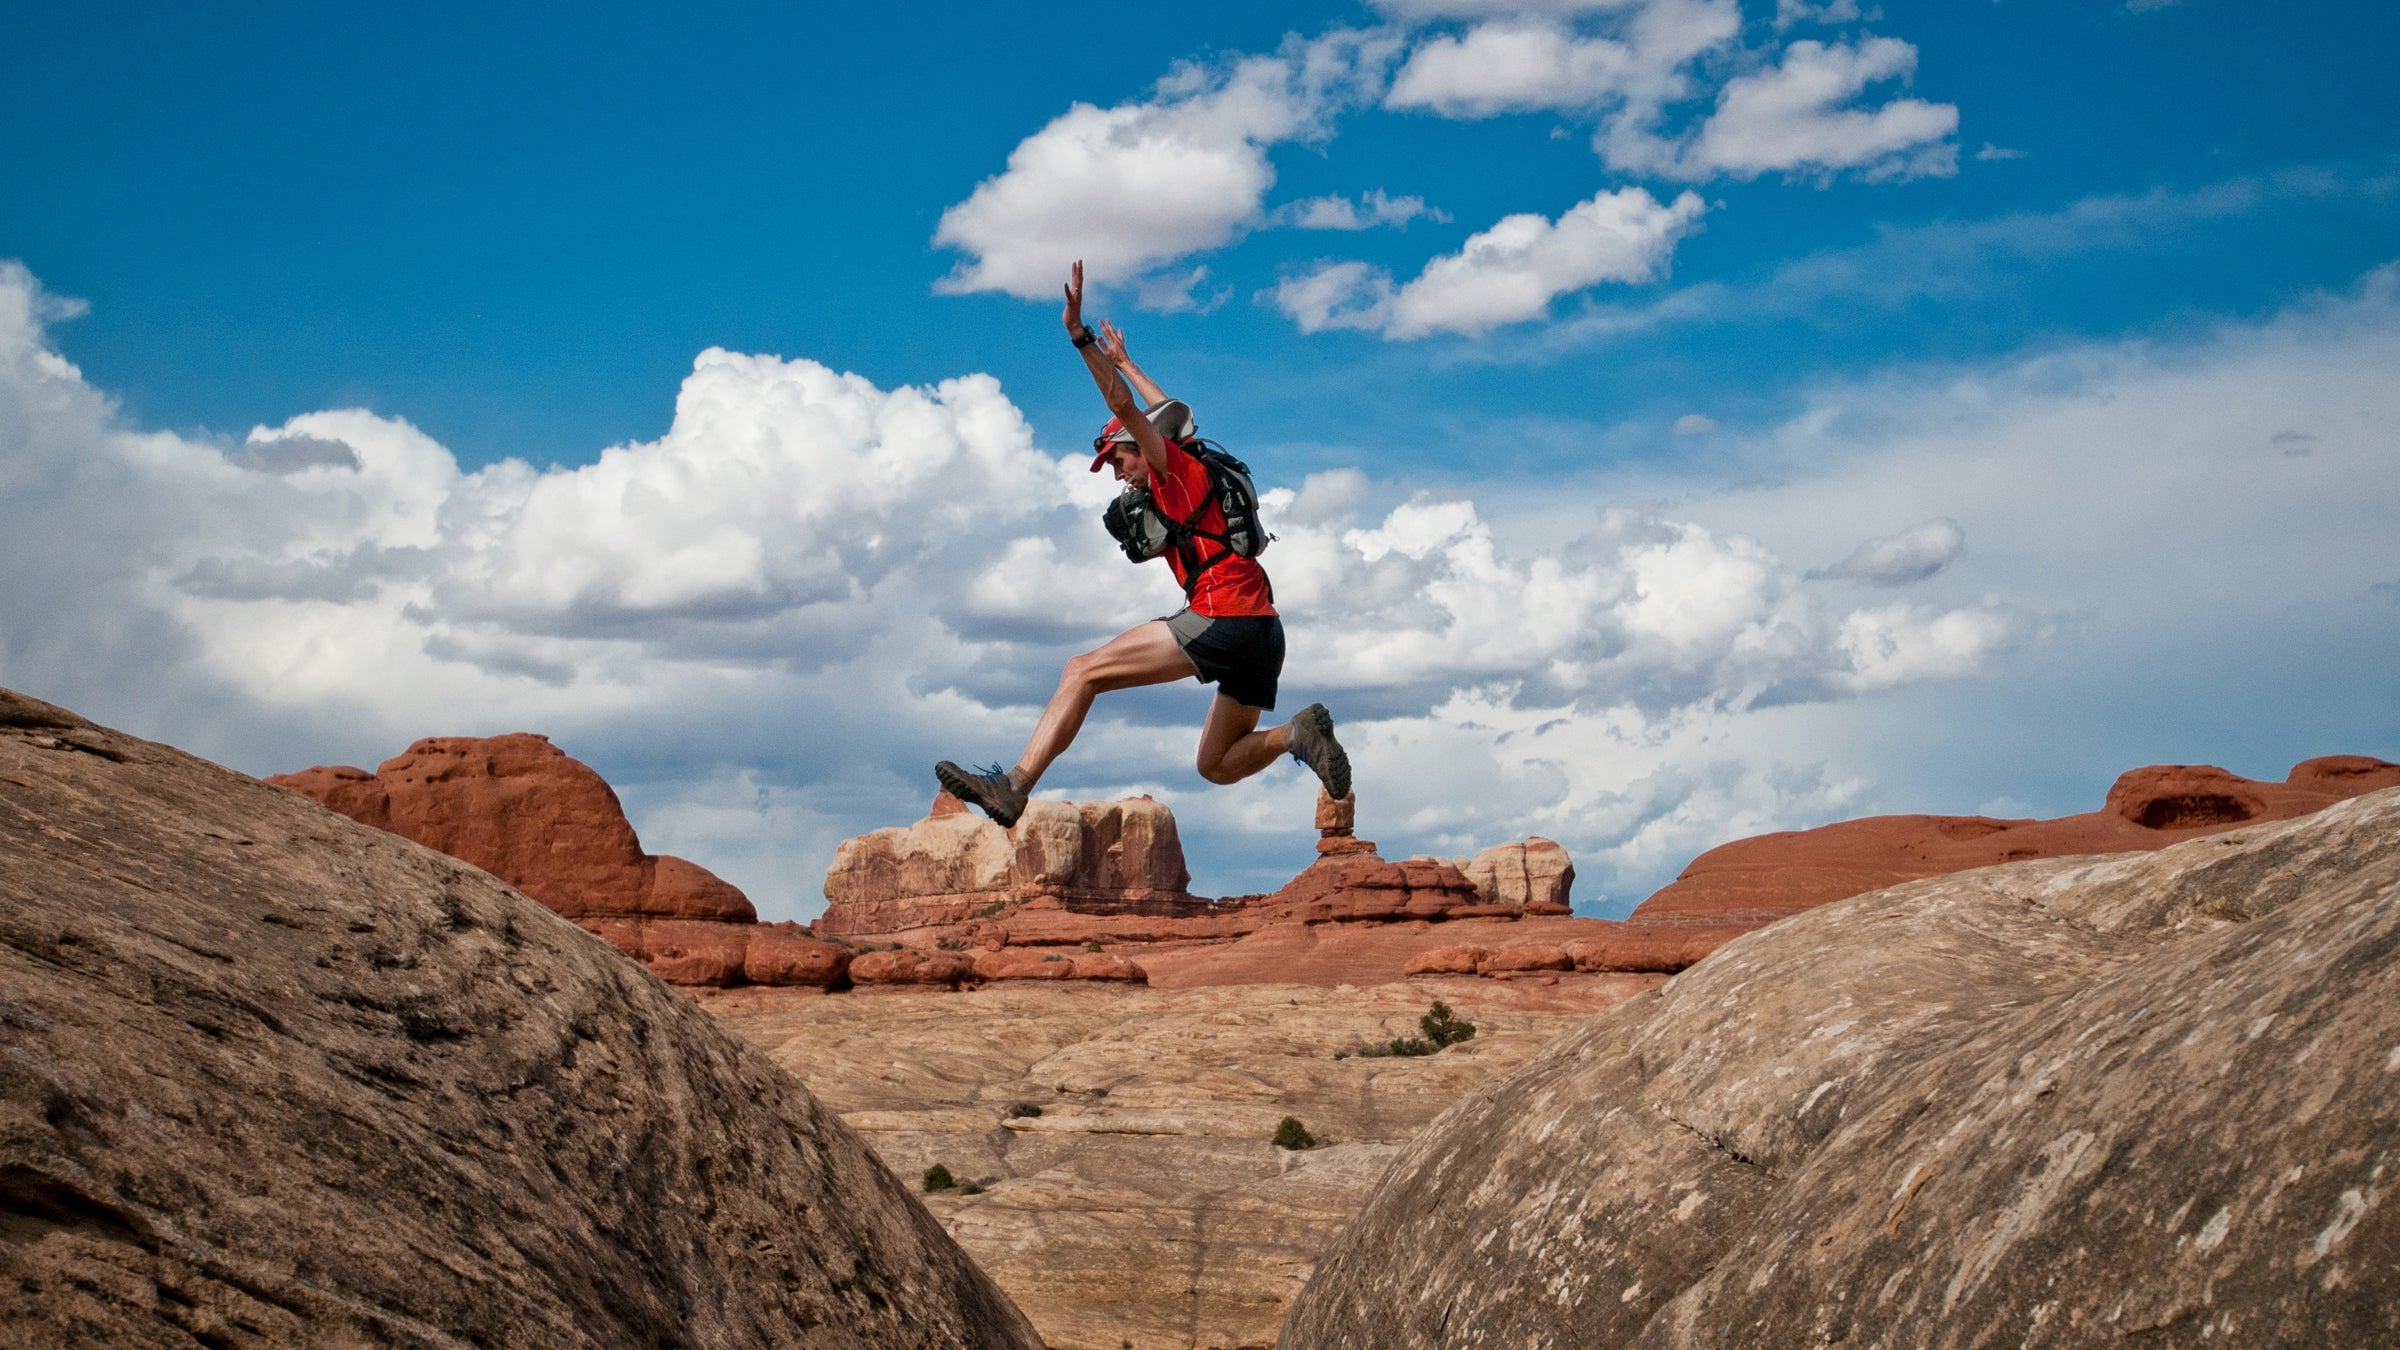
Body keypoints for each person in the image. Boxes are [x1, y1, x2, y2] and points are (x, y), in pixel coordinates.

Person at [934, 260, 1349, 827]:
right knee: (1216, 764)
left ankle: (1014, 787)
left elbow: (1126, 408)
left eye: (1118, 460)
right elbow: (1169, 412)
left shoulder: (1170, 472)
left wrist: (1080, 338)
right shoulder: (1199, 462)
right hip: (1264, 632)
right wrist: (1128, 363)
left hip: (1222, 615)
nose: (1118, 474)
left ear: (1142, 446)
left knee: (1082, 671)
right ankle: (1296, 734)